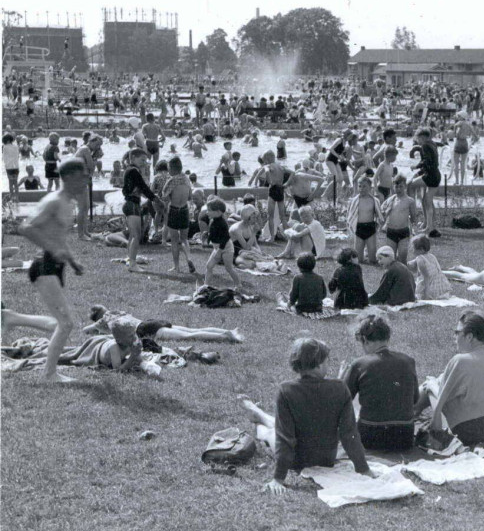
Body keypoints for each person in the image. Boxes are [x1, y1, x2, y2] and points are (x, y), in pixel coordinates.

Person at [255, 338, 374, 495]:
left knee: (271, 431)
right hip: (326, 459)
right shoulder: (340, 388)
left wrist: (278, 478)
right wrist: (363, 469)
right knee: (272, 429)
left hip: (295, 461)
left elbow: (285, 439)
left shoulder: (286, 390)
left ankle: (257, 419)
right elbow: (349, 434)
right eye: (326, 361)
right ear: (318, 364)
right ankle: (258, 417)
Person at [18, 160, 87, 383]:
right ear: (67, 177)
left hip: (56, 267)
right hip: (44, 267)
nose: (84, 180)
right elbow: (26, 227)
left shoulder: (69, 202)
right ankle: (49, 374)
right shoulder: (54, 200)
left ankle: (10, 319)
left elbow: (59, 237)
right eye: (80, 176)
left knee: (63, 321)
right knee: (66, 323)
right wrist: (53, 249)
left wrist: (73, 262)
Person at [414, 310, 484, 446]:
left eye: (457, 332)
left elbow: (441, 397)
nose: (454, 337)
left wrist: (431, 385)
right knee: (436, 384)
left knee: (430, 387)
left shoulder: (460, 361)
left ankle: (407, 415)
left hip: (467, 432)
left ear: (469, 336)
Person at [342, 314, 419, 451]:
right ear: (387, 338)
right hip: (404, 437)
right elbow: (414, 399)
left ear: (364, 340)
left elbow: (342, 401)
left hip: (371, 437)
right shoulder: (408, 361)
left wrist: (340, 380)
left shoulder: (360, 364)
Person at [84, 305, 243, 343]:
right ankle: (227, 330)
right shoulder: (118, 312)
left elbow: (87, 330)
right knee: (192, 329)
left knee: (189, 336)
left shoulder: (104, 319)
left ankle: (226, 337)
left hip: (145, 329)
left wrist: (99, 328)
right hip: (150, 321)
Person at [122, 148, 165, 272]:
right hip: (132, 205)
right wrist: (157, 200)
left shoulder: (129, 170)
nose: (144, 162)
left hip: (130, 204)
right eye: (142, 160)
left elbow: (127, 189)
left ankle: (130, 259)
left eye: (145, 160)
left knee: (133, 235)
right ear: (133, 158)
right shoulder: (134, 171)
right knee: (136, 235)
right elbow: (144, 188)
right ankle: (132, 264)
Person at [161, 156, 196, 273]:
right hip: (185, 209)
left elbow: (164, 196)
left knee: (175, 240)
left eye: (168, 168)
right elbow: (190, 196)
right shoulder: (187, 179)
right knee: (185, 239)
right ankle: (189, 258)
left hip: (174, 209)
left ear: (172, 168)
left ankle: (176, 267)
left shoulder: (171, 181)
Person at [409, 127, 441, 237]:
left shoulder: (425, 145)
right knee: (426, 200)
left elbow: (426, 161)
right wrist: (420, 172)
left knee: (411, 185)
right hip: (435, 174)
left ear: (422, 137)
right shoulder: (432, 143)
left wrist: (416, 166)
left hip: (430, 176)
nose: (417, 141)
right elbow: (432, 162)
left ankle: (413, 213)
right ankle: (428, 224)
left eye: (418, 138)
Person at [204, 198, 242, 290]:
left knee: (228, 268)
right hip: (218, 248)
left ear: (218, 212)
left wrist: (219, 251)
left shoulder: (222, 223)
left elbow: (225, 238)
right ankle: (206, 285)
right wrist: (207, 236)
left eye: (209, 210)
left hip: (226, 248)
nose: (207, 212)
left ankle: (238, 284)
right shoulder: (213, 220)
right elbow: (214, 232)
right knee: (209, 266)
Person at [381, 175, 417, 264]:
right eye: (396, 187)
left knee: (402, 257)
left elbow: (413, 217)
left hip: (403, 232)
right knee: (391, 258)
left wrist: (413, 229)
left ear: (405, 186)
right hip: (391, 231)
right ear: (393, 187)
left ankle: (403, 274)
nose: (398, 189)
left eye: (401, 186)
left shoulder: (410, 201)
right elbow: (381, 211)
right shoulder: (390, 200)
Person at [347, 177, 383, 264]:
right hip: (359, 228)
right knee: (358, 260)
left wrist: (381, 220)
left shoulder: (374, 200)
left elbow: (379, 214)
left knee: (373, 260)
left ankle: (369, 253)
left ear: (370, 188)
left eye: (364, 186)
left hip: (370, 228)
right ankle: (363, 253)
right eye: (360, 186)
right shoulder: (355, 201)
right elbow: (351, 214)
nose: (362, 189)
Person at [406, 234, 451, 300]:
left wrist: (426, 295)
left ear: (421, 249)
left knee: (411, 291)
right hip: (440, 286)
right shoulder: (431, 256)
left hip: (430, 287)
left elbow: (426, 278)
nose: (412, 250)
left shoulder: (420, 260)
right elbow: (411, 264)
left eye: (413, 248)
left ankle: (427, 294)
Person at [3, 132, 21, 203]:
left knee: (10, 183)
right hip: (16, 166)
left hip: (9, 167)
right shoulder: (16, 146)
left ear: (6, 140)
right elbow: (17, 155)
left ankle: (11, 198)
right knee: (15, 183)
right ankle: (17, 198)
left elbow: (4, 158)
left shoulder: (5, 147)